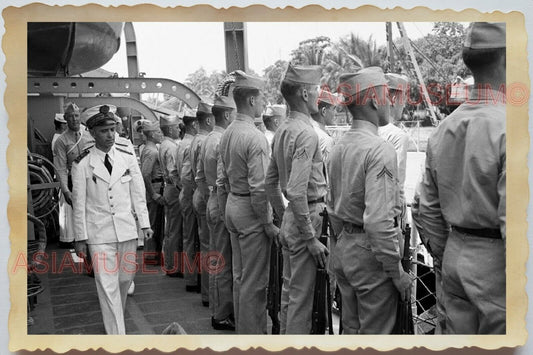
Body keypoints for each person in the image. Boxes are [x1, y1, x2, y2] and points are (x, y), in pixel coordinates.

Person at [416, 22, 506, 334]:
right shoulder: (511, 128)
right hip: (498, 265)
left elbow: (425, 208)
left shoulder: (443, 128)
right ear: (509, 60)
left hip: (455, 252)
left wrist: (447, 253)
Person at [327, 67, 411, 334]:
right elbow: (377, 221)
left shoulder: (338, 145)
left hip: (345, 248)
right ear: (375, 100)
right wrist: (396, 273)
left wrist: (347, 241)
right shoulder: (380, 149)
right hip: (371, 256)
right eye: (386, 95)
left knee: (351, 330)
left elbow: (331, 207)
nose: (389, 102)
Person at [71, 105, 153, 334]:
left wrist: (144, 223)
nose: (110, 135)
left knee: (125, 280)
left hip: (126, 229)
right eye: (104, 131)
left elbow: (138, 193)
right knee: (107, 287)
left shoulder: (127, 158)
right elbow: (79, 204)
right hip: (98, 233)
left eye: (112, 129)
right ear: (92, 132)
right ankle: (117, 337)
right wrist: (80, 238)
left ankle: (116, 319)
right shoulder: (82, 164)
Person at [265, 64, 328, 334]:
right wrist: (310, 236)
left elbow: (270, 182)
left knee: (290, 295)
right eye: (316, 89)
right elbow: (297, 189)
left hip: (293, 217)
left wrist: (283, 216)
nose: (319, 95)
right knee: (302, 300)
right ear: (304, 93)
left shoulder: (282, 130)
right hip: (308, 217)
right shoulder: (306, 133)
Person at [217, 70, 278, 334]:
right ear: (252, 101)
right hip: (250, 211)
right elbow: (259, 189)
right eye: (262, 98)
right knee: (254, 282)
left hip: (233, 204)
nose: (264, 103)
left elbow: (221, 180)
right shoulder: (255, 137)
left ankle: (243, 333)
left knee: (240, 277)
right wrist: (267, 223)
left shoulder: (229, 132)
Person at [197, 94, 236, 330]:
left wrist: (209, 199)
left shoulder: (208, 140)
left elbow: (200, 176)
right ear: (228, 115)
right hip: (221, 201)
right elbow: (224, 180)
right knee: (224, 262)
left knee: (215, 258)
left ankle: (216, 306)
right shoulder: (221, 141)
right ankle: (221, 314)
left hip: (212, 198)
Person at [53, 102, 94, 249]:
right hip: (74, 182)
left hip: (92, 180)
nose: (74, 119)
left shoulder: (89, 136)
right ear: (65, 119)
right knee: (80, 217)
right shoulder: (61, 141)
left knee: (94, 217)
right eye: (70, 117)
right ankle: (86, 253)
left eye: (76, 115)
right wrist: (66, 191)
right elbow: (60, 168)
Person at [378, 73, 410, 228]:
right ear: (393, 99)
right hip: (389, 220)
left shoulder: (366, 131)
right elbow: (396, 185)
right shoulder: (398, 136)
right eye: (403, 98)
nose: (404, 104)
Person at [191, 102, 215, 307]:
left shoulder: (198, 140)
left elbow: (196, 176)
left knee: (205, 247)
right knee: (211, 249)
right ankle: (210, 295)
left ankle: (207, 292)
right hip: (207, 195)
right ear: (209, 119)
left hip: (201, 194)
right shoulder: (205, 141)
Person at [176, 108, 200, 292]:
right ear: (194, 124)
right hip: (190, 193)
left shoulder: (182, 143)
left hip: (186, 192)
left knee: (189, 237)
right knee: (192, 238)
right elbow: (186, 175)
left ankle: (191, 275)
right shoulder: (189, 144)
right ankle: (192, 279)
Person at [159, 115, 183, 277]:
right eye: (176, 127)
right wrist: (182, 188)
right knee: (175, 230)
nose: (179, 130)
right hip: (174, 190)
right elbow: (173, 173)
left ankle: (169, 263)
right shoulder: (171, 147)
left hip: (167, 188)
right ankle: (173, 266)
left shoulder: (164, 145)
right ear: (169, 129)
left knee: (170, 229)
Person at [140, 120, 165, 264]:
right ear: (151, 134)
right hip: (154, 187)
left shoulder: (150, 149)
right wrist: (154, 194)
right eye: (158, 132)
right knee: (153, 223)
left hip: (155, 186)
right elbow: (145, 174)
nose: (160, 134)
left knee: (156, 222)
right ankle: (150, 256)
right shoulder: (151, 151)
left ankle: (154, 255)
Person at [310, 90, 336, 162]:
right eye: (333, 109)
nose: (335, 113)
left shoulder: (306, 131)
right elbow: (328, 172)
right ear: (324, 111)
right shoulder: (326, 140)